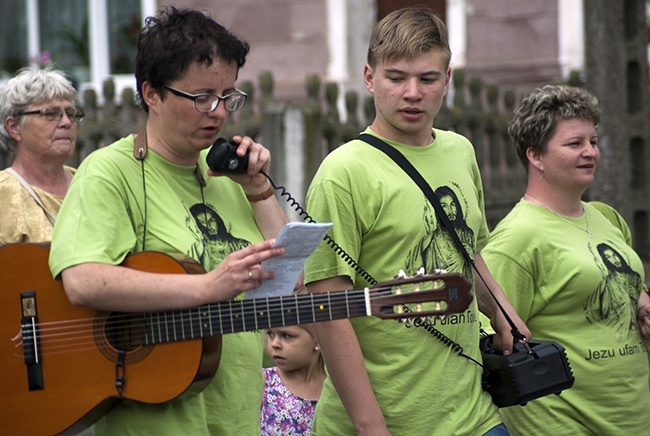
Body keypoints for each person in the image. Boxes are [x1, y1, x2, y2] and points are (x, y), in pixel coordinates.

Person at [49, 7, 289, 435]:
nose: (218, 112)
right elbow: (82, 279)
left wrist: (259, 190)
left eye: (228, 96)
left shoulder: (230, 177)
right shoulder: (109, 172)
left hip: (235, 420)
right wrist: (206, 286)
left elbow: (293, 280)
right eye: (201, 97)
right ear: (152, 94)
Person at [303, 7, 529, 435]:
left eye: (427, 79)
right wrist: (372, 428)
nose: (412, 92)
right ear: (369, 78)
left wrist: (502, 312)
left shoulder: (460, 150)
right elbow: (329, 312)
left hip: (474, 416)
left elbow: (471, 249)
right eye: (396, 77)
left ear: (447, 80)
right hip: (388, 421)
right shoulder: (343, 173)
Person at [481, 85, 650, 434]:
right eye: (574, 144)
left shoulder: (607, 218)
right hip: (562, 423)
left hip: (631, 417)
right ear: (535, 156)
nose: (590, 152)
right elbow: (495, 346)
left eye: (593, 141)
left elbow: (634, 296)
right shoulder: (516, 239)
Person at [0, 67, 81, 244]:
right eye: (51, 114)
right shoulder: (4, 193)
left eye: (71, 114)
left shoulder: (88, 183)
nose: (66, 122)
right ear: (14, 127)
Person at [261, 323, 325, 435]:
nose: (274, 344)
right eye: (270, 334)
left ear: (318, 339)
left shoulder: (334, 387)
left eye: (286, 336)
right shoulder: (264, 381)